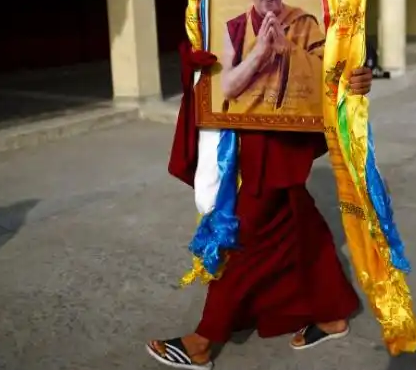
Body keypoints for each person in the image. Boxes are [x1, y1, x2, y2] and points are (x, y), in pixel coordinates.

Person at [149, 37, 375, 368]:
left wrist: (351, 78)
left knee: (244, 231)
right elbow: (201, 41)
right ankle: (331, 312)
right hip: (237, 121)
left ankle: (203, 340)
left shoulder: (306, 0)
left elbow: (335, 46)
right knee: (294, 218)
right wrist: (200, 63)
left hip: (279, 130)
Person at [220, 0, 326, 117]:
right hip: (247, 132)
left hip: (294, 133)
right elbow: (227, 89)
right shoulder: (235, 28)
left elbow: (327, 78)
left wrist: (288, 49)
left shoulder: (304, 23)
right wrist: (259, 53)